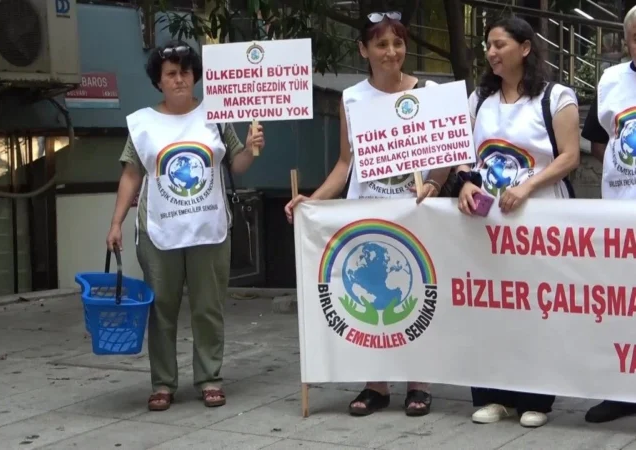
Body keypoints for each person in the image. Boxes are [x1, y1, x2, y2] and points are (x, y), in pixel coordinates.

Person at [284, 11, 451, 418]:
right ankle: (376, 384)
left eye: (397, 43)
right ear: (364, 50)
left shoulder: (428, 93)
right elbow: (345, 164)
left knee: (417, 295)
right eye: (381, 44)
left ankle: (419, 383)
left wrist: (433, 185)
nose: (391, 52)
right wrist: (312, 200)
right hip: (368, 218)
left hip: (415, 217)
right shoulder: (352, 98)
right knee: (373, 295)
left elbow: (446, 155)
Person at [106, 40, 265, 411]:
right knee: (161, 309)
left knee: (208, 308)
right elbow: (131, 174)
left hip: (210, 230)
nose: (180, 80)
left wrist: (252, 148)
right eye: (171, 74)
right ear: (158, 81)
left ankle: (210, 378)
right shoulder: (143, 123)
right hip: (158, 231)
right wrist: (116, 222)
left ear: (196, 76)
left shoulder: (217, 115)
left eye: (186, 72)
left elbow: (235, 166)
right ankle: (163, 384)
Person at [454, 17, 580, 428]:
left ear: (525, 48)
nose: (490, 52)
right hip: (487, 226)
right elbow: (463, 154)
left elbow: (569, 156)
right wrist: (465, 184)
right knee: (489, 306)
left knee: (537, 306)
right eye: (488, 45)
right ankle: (493, 395)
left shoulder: (555, 97)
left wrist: (527, 187)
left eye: (499, 44)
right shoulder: (479, 99)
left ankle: (537, 399)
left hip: (540, 223)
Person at [578, 4, 636, 424]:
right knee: (619, 304)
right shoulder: (612, 80)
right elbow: (597, 140)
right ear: (628, 40)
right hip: (619, 214)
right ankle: (620, 392)